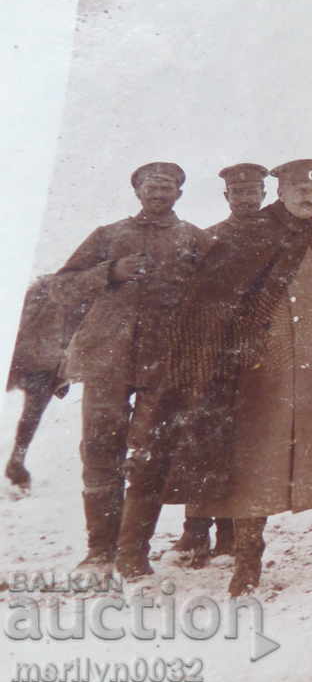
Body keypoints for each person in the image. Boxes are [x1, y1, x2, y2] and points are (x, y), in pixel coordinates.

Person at [114, 159, 312, 594]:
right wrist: (235, 353)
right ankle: (248, 561)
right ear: (278, 189)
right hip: (261, 370)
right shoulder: (252, 232)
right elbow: (213, 301)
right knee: (254, 462)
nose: (309, 196)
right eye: (299, 189)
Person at [51, 162, 211, 570]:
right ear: (137, 190)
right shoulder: (108, 236)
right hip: (108, 360)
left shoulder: (193, 237)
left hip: (166, 363)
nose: (159, 193)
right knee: (100, 451)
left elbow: (214, 295)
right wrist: (110, 272)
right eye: (151, 186)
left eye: (168, 187)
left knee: (150, 455)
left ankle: (133, 553)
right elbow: (62, 287)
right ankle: (100, 549)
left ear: (179, 193)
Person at [170, 163, 270, 564]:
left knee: (243, 444)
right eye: (238, 192)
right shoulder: (209, 239)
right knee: (203, 440)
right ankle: (195, 531)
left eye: (253, 191)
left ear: (265, 194)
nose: (246, 198)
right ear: (226, 196)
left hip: (257, 356)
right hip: (212, 357)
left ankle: (231, 535)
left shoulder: (278, 239)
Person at [4, 275, 88, 488]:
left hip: (38, 356)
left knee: (33, 410)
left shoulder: (49, 286)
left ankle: (17, 462)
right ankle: (17, 461)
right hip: (40, 357)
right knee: (33, 410)